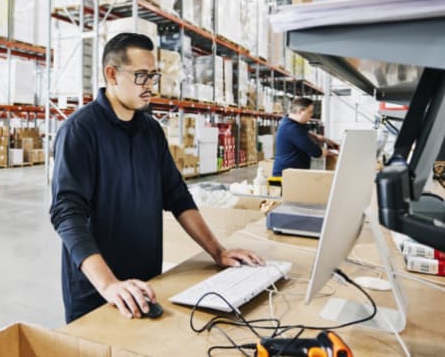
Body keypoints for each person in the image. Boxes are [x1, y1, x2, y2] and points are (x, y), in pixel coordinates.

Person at [50, 33, 265, 323]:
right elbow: (67, 215)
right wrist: (109, 284)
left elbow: (177, 195)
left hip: (148, 284)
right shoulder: (79, 131)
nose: (150, 86)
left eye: (153, 76)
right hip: (98, 292)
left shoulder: (151, 131)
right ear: (111, 74)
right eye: (141, 76)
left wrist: (218, 252)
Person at [272, 97, 339, 177]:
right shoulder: (292, 129)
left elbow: (306, 132)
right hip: (285, 177)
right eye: (309, 112)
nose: (311, 115)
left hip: (293, 174)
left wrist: (322, 139)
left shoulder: (289, 121)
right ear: (300, 112)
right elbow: (316, 152)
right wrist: (331, 153)